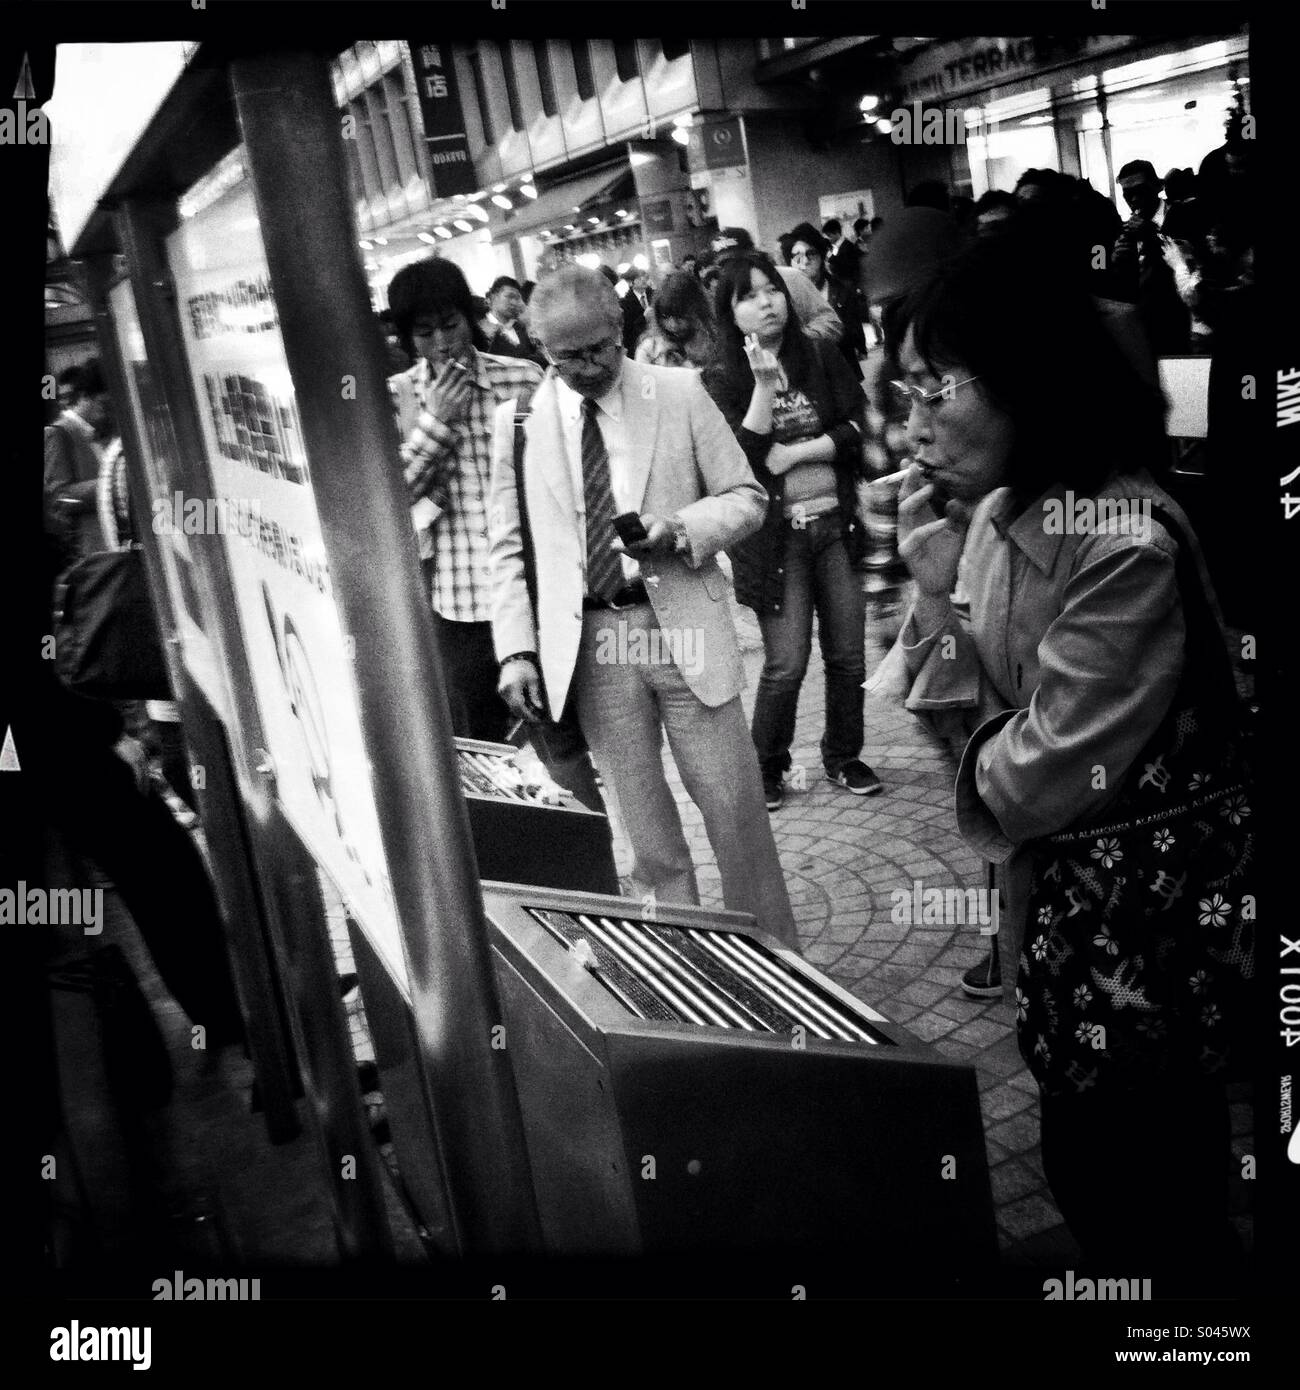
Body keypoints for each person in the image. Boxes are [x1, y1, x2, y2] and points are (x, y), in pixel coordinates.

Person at [887, 232, 1251, 1288]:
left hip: (1148, 942)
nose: (911, 428)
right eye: (902, 394)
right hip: (1061, 925)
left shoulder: (1121, 543)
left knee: (1153, 1203)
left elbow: (1026, 780)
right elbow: (950, 719)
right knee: (1091, 1177)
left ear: (1025, 380)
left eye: (930, 392)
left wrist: (968, 718)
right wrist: (927, 589)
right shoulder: (998, 514)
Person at [488, 265, 799, 949]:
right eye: (565, 355)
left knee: (735, 813)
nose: (586, 366)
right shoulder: (519, 423)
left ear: (622, 328)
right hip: (595, 644)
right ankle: (682, 969)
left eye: (599, 347)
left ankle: (781, 967)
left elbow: (747, 497)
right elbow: (508, 548)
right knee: (646, 838)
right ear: (541, 347)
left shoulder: (679, 393)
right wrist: (515, 651)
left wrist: (680, 530)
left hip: (682, 624)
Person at [703, 250, 880, 811]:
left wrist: (802, 450)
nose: (766, 302)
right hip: (775, 543)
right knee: (786, 663)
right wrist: (761, 385)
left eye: (772, 289)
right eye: (749, 296)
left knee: (849, 655)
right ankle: (767, 765)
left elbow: (859, 425)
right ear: (731, 314)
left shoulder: (823, 355)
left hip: (836, 527)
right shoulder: (719, 380)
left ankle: (843, 755)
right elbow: (742, 457)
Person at [386, 257, 545, 741]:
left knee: (560, 735)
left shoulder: (522, 379)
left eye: (451, 325)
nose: (442, 343)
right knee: (482, 741)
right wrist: (435, 424)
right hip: (457, 600)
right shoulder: (397, 397)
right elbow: (390, 502)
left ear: (469, 318)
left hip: (533, 584)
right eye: (425, 332)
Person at [1112, 159, 1190, 355]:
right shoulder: (1127, 228)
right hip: (1143, 324)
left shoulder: (1182, 214)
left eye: (1141, 191)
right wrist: (1116, 260)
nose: (1135, 199)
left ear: (1157, 186)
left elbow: (1185, 256)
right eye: (1127, 194)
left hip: (1180, 320)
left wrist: (1150, 234)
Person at [710, 227, 843, 343]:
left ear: (755, 254)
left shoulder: (790, 278)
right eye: (725, 265)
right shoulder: (723, 295)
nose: (734, 269)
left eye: (740, 260)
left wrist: (794, 341)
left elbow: (831, 322)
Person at [44, 358, 113, 569]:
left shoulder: (98, 432)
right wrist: (110, 485)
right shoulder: (58, 433)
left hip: (110, 546)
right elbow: (60, 498)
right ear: (84, 397)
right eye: (102, 404)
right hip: (91, 553)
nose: (106, 411)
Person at [785, 221, 867, 373]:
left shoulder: (841, 289)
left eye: (811, 253)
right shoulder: (784, 297)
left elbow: (852, 330)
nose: (804, 261)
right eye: (797, 255)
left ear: (821, 256)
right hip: (809, 374)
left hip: (843, 369)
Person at [632, 269, 716, 369]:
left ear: (698, 312)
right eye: (665, 317)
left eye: (680, 317)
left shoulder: (714, 343)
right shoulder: (650, 349)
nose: (673, 325)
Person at [484, 275, 547, 367]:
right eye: (509, 296)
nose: (514, 302)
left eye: (517, 298)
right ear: (493, 296)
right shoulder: (480, 331)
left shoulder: (522, 329)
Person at [620, 267, 653, 355]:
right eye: (638, 278)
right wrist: (644, 317)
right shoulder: (625, 303)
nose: (643, 280)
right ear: (631, 283)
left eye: (645, 277)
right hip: (638, 346)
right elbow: (628, 331)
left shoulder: (654, 295)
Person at [821, 216, 862, 282]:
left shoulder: (848, 247)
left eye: (829, 235)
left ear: (837, 232)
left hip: (848, 283)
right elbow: (829, 258)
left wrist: (831, 259)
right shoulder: (833, 247)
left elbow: (846, 268)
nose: (828, 238)